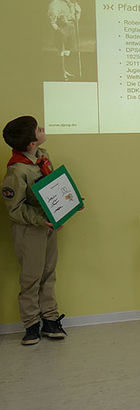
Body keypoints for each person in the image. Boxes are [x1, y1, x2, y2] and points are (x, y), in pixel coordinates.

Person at [2, 116, 67, 345]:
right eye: (37, 128)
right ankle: (31, 324)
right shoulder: (17, 171)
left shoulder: (43, 157)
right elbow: (14, 209)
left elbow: (51, 188)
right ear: (31, 142)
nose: (42, 128)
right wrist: (41, 220)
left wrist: (68, 203)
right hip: (29, 230)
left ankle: (50, 318)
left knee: (49, 272)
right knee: (31, 277)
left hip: (49, 226)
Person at [47, 0, 82, 80]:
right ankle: (61, 72)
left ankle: (67, 70)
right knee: (61, 50)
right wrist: (58, 29)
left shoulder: (73, 4)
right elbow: (52, 20)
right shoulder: (55, 3)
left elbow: (76, 17)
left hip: (71, 28)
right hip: (62, 28)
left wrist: (76, 13)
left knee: (68, 49)